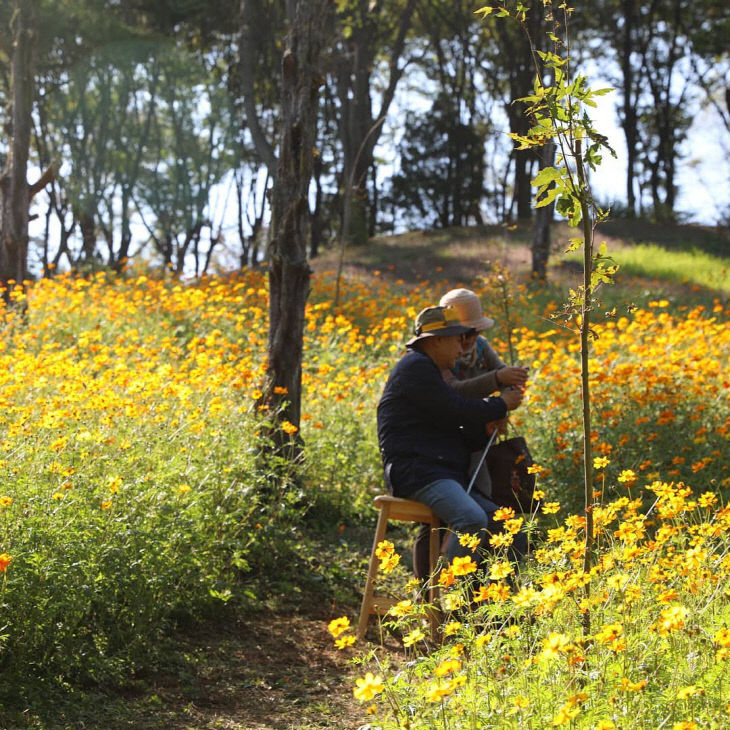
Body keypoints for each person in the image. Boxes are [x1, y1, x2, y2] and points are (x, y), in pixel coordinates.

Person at [376, 305, 524, 570]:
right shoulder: (416, 368)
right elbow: (455, 409)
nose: (462, 347)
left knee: (508, 528)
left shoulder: (427, 370)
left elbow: (449, 427)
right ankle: (450, 599)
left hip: (442, 473)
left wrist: (484, 430)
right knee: (471, 518)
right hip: (418, 472)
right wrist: (500, 405)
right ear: (438, 341)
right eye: (457, 339)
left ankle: (485, 605)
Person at [411, 289, 529, 580]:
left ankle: (481, 592)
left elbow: (504, 378)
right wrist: (496, 387)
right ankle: (429, 589)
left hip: (474, 447)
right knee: (437, 522)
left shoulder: (480, 347)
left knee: (489, 509)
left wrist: (505, 396)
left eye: (474, 333)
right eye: (464, 334)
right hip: (438, 452)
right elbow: (451, 395)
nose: (469, 340)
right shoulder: (429, 361)